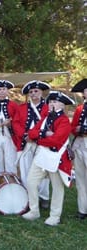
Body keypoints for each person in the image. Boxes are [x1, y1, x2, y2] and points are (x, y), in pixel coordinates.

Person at [22, 91, 75, 226]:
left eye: (55, 102)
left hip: (56, 158)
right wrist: (44, 133)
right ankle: (34, 211)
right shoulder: (45, 118)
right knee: (31, 182)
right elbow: (32, 132)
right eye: (50, 101)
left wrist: (38, 140)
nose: (51, 103)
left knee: (57, 188)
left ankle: (55, 216)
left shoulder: (64, 121)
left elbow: (56, 141)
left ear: (62, 106)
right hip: (42, 156)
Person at [14, 80, 51, 209]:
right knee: (25, 170)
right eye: (31, 92)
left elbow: (50, 125)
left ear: (41, 92)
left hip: (41, 143)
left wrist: (36, 136)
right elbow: (16, 123)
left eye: (36, 91)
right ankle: (28, 196)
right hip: (26, 143)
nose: (34, 93)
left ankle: (44, 197)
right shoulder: (22, 108)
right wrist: (25, 135)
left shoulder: (48, 108)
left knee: (43, 171)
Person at [70, 78, 87, 219]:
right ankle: (82, 209)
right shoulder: (80, 109)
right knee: (80, 179)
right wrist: (77, 129)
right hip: (79, 144)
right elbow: (73, 127)